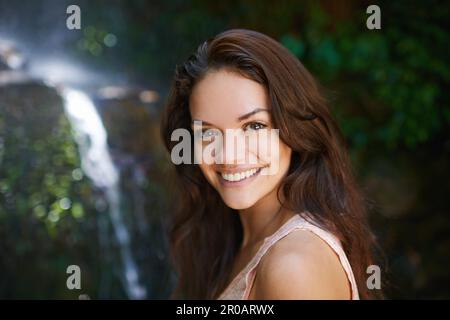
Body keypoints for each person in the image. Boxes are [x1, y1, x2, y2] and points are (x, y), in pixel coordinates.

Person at [161, 29, 378, 299]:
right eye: (207, 132)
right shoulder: (225, 238)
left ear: (294, 130)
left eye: (254, 126)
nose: (229, 156)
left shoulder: (293, 266)